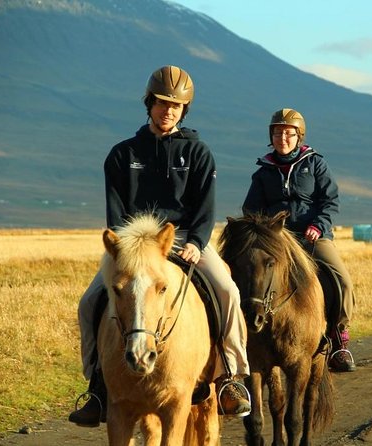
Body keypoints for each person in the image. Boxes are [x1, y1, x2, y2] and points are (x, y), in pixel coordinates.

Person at [69, 65, 251, 427]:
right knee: (90, 301)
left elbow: (205, 209)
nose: (168, 110)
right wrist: (126, 249)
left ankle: (231, 376)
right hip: (135, 248)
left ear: (184, 111)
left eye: (176, 106)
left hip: (184, 241)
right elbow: (116, 213)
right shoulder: (122, 155)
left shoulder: (198, 153)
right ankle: (97, 386)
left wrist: (198, 243)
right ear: (149, 104)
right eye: (162, 103)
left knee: (227, 290)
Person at [242, 108, 356, 372]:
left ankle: (339, 339)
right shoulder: (263, 172)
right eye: (278, 132)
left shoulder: (315, 164)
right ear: (271, 136)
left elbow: (330, 201)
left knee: (342, 281)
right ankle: (244, 337)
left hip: (312, 238)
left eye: (289, 133)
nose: (283, 137)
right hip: (278, 239)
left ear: (299, 136)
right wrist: (268, 231)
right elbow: (251, 211)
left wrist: (319, 225)